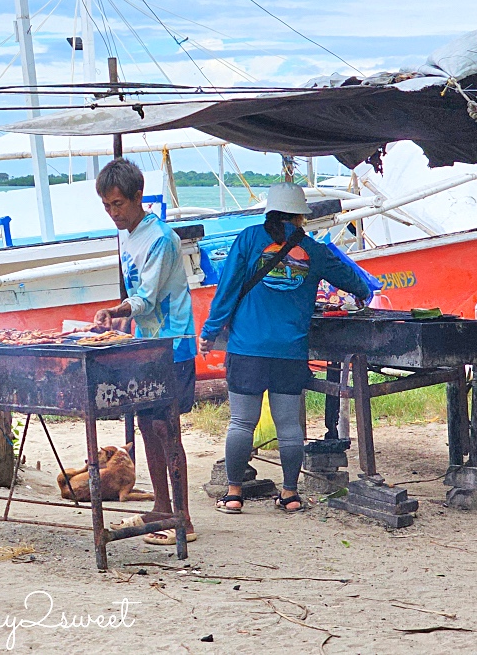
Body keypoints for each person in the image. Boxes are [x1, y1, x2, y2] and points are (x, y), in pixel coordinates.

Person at [199, 182, 373, 514]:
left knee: (241, 423)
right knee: (289, 426)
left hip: (247, 348)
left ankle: (234, 495)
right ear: (300, 216)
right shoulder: (314, 249)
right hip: (290, 352)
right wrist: (363, 290)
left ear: (270, 211)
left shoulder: (250, 238)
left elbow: (228, 287)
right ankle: (290, 495)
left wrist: (209, 331)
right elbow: (355, 282)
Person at [92, 158, 197, 544]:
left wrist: (117, 309)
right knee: (146, 426)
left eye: (117, 204)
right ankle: (162, 507)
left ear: (138, 197)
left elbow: (147, 299)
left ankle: (182, 518)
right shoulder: (128, 234)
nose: (113, 213)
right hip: (147, 343)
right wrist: (122, 318)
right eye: (106, 206)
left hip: (174, 342)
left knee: (167, 430)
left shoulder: (161, 239)